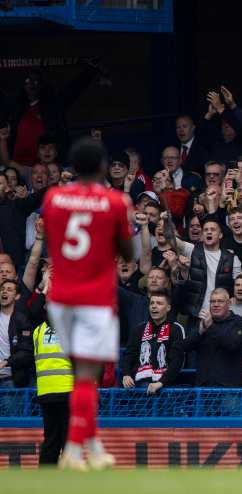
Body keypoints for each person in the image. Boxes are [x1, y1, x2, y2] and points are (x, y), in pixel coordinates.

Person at [42, 137, 135, 470]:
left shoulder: (52, 198)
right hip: (95, 298)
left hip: (60, 296)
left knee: (77, 374)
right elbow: (128, 253)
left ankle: (93, 447)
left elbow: (53, 241)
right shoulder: (115, 201)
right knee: (87, 377)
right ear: (102, 167)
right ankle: (72, 449)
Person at [179, 288, 242, 388]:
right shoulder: (203, 322)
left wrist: (211, 326)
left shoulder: (238, 322)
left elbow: (232, 344)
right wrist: (200, 332)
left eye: (220, 301)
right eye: (212, 301)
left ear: (229, 304)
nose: (216, 304)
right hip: (204, 387)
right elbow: (184, 347)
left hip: (229, 388)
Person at [121, 291, 186, 394]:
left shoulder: (176, 329)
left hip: (166, 387)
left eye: (159, 303)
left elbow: (177, 361)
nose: (154, 307)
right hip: (138, 387)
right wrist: (126, 374)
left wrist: (161, 382)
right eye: (152, 303)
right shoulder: (139, 329)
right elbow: (129, 355)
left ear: (168, 308)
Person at [33, 317, 73, 465]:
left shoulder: (38, 331)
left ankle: (45, 480)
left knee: (50, 439)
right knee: (68, 439)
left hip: (45, 391)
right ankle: (70, 479)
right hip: (66, 389)